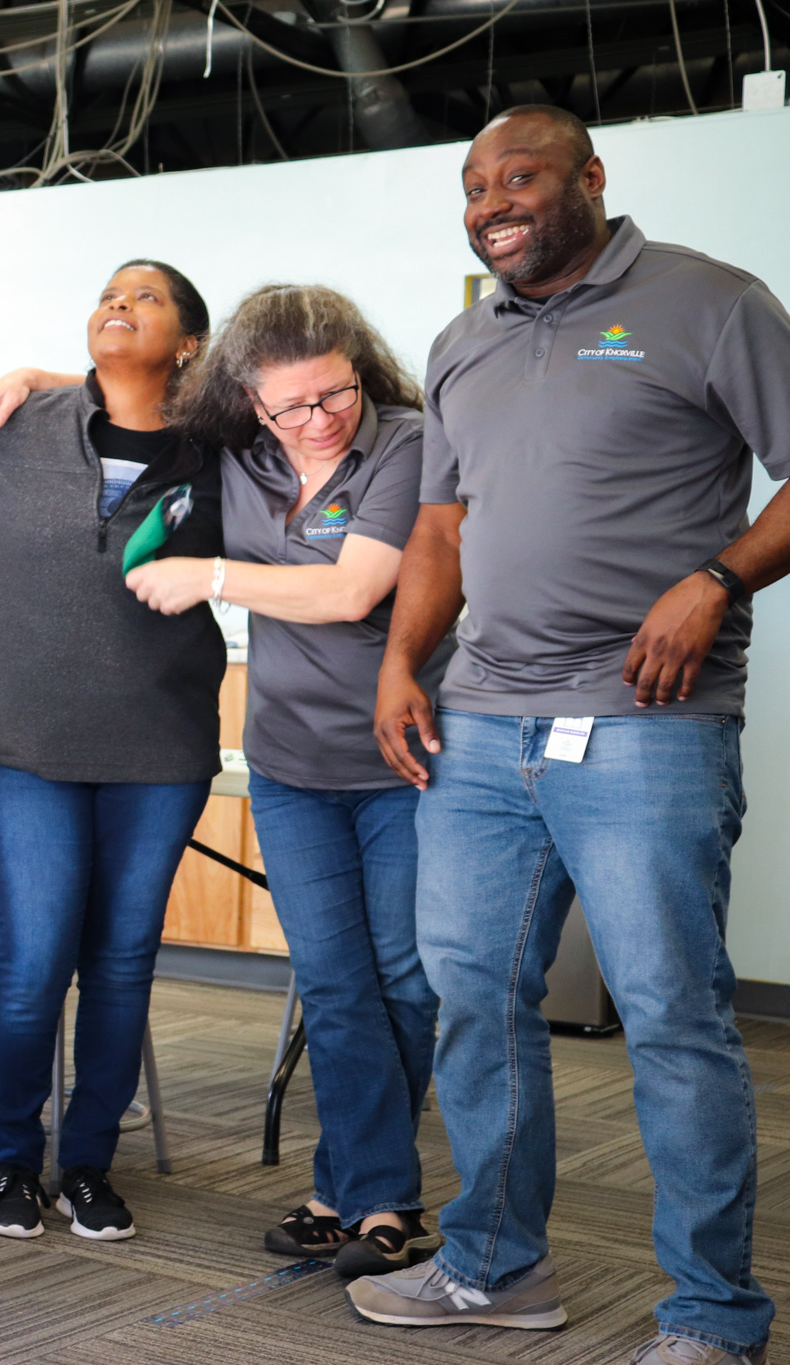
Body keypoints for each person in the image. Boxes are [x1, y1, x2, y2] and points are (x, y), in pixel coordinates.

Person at [354, 107, 790, 1365]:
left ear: (589, 179)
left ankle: (711, 1316)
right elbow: (440, 529)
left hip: (646, 722)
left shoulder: (706, 301)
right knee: (471, 1003)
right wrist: (399, 663)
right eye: (473, 184)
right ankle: (492, 1267)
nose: (491, 200)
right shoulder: (458, 340)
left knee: (669, 1014)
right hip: (485, 722)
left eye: (521, 176)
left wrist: (715, 578)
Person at [0, 284, 450, 1274]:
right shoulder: (239, 453)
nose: (312, 422)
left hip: (403, 758)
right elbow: (140, 392)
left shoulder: (403, 441)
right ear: (250, 402)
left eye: (331, 397)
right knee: (331, 981)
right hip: (287, 763)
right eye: (285, 407)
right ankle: (365, 1194)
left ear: (358, 371)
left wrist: (212, 578)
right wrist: (36, 376)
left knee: (401, 978)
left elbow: (352, 586)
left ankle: (362, 1190)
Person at [0, 261, 223, 1243]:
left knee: (121, 963)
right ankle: (11, 1162)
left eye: (146, 299)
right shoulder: (18, 430)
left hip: (160, 745)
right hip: (25, 744)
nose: (118, 306)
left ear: (187, 345)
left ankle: (85, 1166)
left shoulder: (223, 447)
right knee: (34, 960)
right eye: (108, 294)